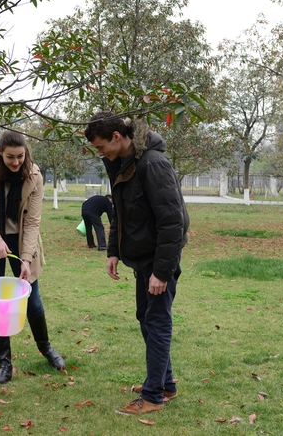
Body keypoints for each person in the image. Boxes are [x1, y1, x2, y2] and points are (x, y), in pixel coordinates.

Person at [83, 112, 189, 416]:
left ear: (117, 137)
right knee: (146, 317)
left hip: (158, 259)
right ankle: (164, 384)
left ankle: (153, 396)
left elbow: (173, 222)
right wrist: (113, 251)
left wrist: (162, 271)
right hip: (142, 258)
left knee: (157, 321)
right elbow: (120, 212)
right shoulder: (122, 163)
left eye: (101, 146)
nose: (100, 153)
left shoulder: (152, 164)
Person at [0, 130, 65, 384]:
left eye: (20, 156)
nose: (16, 162)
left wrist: (26, 258)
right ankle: (5, 364)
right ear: (0, 152)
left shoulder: (34, 175)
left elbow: (32, 221)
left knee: (33, 300)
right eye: (10, 157)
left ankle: (46, 348)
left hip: (23, 241)